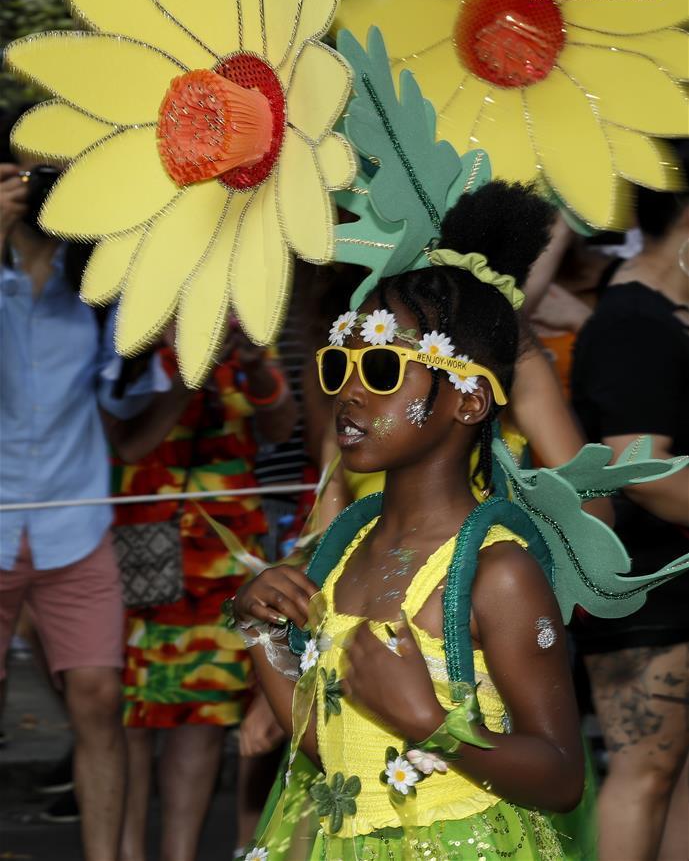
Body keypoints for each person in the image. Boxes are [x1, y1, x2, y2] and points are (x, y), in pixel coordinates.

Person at [233, 181, 586, 859]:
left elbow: (561, 774)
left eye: (385, 367)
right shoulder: (345, 548)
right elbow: (328, 744)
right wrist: (260, 636)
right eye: (344, 363)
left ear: (469, 399)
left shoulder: (496, 571)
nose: (352, 390)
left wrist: (432, 723)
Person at [0, 129, 164, 859]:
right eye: (31, 174)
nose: (44, 189)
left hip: (76, 522)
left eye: (59, 176)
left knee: (100, 699)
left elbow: (130, 417)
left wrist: (187, 360)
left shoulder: (99, 286)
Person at [113, 326, 298, 861]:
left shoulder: (241, 339)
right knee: (133, 720)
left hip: (221, 557)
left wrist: (255, 368)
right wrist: (190, 376)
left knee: (201, 717)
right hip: (137, 547)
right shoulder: (131, 337)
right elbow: (130, 442)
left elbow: (280, 426)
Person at [571, 145, 689, 861]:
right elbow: (637, 469)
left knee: (676, 779)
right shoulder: (631, 318)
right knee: (642, 776)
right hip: (644, 589)